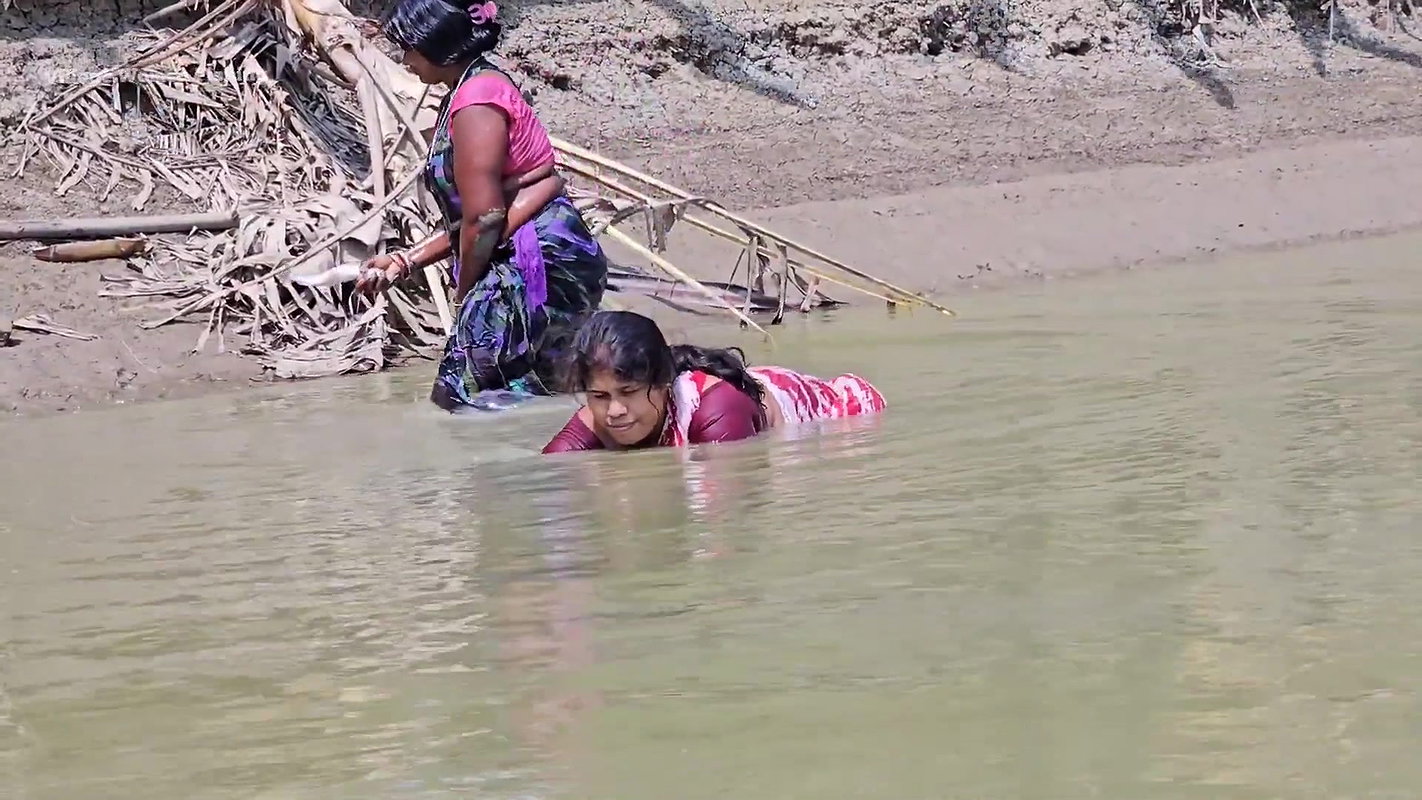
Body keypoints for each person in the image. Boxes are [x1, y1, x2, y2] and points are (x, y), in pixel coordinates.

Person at [358, 0, 607, 409]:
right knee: (530, 394)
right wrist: (407, 261)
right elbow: (486, 214)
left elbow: (487, 218)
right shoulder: (471, 88)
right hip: (537, 250)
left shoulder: (476, 102)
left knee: (464, 396)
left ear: (439, 45)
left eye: (410, 48)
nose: (404, 60)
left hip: (536, 262)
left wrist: (466, 294)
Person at [542, 311, 887, 454]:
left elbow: (721, 513)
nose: (614, 410)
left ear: (663, 381)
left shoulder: (717, 412)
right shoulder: (596, 416)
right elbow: (552, 476)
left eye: (629, 392)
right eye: (600, 395)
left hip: (840, 412)